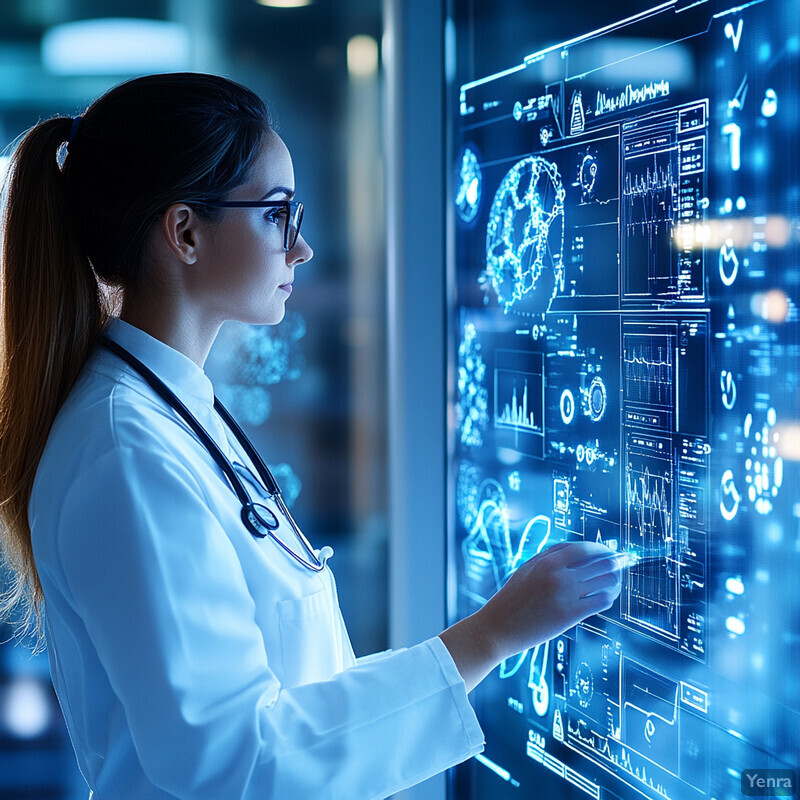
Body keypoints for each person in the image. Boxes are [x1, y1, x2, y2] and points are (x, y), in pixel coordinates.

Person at [0, 73, 622, 799]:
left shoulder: (170, 413)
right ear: (186, 233)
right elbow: (235, 762)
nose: (302, 250)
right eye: (276, 215)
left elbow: (295, 695)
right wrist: (492, 635)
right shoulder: (126, 452)